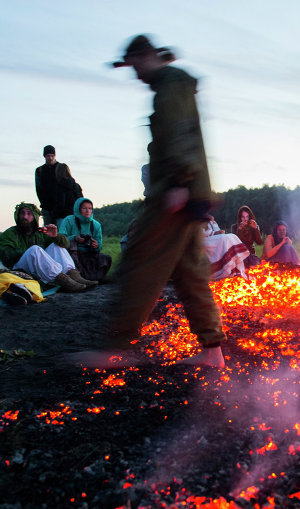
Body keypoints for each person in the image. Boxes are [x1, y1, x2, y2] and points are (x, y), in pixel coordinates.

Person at [77, 34, 227, 368]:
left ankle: (113, 348)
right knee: (190, 274)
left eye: (134, 66)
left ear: (146, 57)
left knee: (140, 264)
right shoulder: (173, 84)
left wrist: (178, 181)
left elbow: (181, 131)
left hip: (176, 191)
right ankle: (212, 351)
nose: (135, 74)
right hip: (189, 189)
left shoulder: (171, 85)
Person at [0, 202, 90, 292]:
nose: (25, 217)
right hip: (20, 269)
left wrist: (55, 236)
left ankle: (74, 276)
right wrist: (30, 254)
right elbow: (5, 254)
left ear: (35, 217)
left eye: (29, 214)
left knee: (55, 246)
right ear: (18, 216)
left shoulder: (41, 232)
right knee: (34, 250)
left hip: (40, 269)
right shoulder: (10, 233)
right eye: (22, 214)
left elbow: (66, 245)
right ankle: (63, 280)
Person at [58, 197, 112, 282]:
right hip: (73, 254)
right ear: (78, 209)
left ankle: (95, 278)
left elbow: (99, 245)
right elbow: (60, 238)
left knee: (105, 258)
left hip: (89, 254)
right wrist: (75, 238)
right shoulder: (68, 220)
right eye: (84, 208)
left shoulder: (96, 225)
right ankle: (80, 277)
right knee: (73, 248)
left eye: (90, 208)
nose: (88, 211)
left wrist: (96, 245)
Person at [34, 145, 83, 228]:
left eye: (52, 156)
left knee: (60, 233)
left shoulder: (60, 167)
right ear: (44, 156)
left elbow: (67, 186)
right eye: (48, 156)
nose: (50, 158)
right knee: (48, 234)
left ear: (55, 155)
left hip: (61, 208)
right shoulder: (40, 170)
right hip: (47, 208)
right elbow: (38, 189)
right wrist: (44, 204)